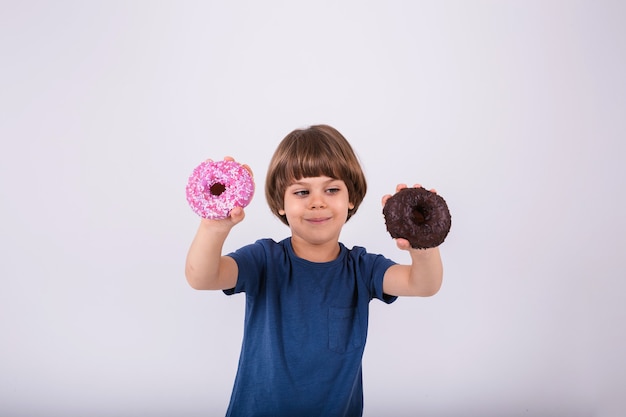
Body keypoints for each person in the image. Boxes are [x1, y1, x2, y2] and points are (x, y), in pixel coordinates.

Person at [185, 124, 444, 417]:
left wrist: (424, 241)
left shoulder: (363, 268)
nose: (317, 202)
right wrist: (214, 225)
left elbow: (423, 284)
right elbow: (202, 276)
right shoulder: (263, 260)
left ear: (351, 198)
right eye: (302, 191)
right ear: (281, 203)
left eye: (331, 189)